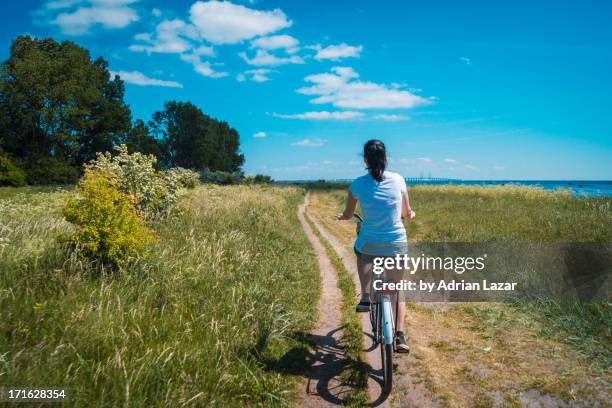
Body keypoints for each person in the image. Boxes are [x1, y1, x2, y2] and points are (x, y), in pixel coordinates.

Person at [336, 139, 415, 353]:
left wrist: (343, 217)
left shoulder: (358, 184)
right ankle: (399, 336)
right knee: (397, 290)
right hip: (396, 244)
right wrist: (410, 215)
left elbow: (350, 213)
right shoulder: (399, 180)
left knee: (360, 251)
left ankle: (365, 296)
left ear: (365, 160)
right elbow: (406, 213)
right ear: (386, 158)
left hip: (371, 244)